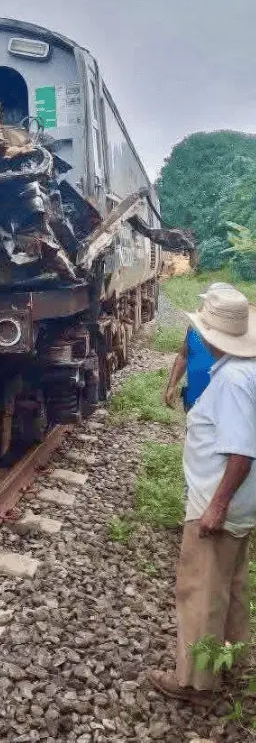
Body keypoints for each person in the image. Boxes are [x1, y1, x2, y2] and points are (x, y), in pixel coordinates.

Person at [148, 286, 256, 704]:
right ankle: (232, 660)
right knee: (231, 585)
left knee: (199, 591)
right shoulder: (245, 369)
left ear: (212, 336)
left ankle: (194, 682)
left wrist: (216, 506)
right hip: (241, 503)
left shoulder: (231, 380)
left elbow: (242, 452)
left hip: (219, 504)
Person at [164, 282, 231, 410]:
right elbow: (183, 356)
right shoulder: (194, 328)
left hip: (223, 405)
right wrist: (172, 385)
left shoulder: (238, 338)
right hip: (193, 400)